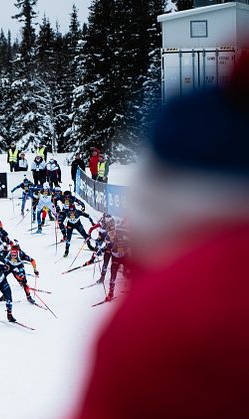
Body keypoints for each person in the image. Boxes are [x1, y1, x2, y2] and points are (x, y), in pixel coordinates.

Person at [70, 52, 249, 419]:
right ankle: (105, 283)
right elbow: (101, 234)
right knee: (112, 267)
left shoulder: (158, 318)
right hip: (119, 257)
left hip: (141, 282)